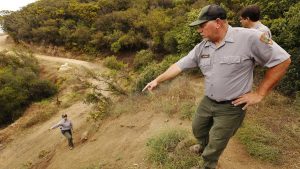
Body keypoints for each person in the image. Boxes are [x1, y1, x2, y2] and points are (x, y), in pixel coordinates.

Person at [143, 4, 291, 169]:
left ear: (218, 22)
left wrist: (260, 93)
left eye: (202, 25)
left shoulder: (251, 37)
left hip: (233, 105)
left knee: (217, 140)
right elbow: (179, 65)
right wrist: (157, 79)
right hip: (209, 100)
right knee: (198, 129)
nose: (199, 30)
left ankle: (208, 164)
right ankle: (203, 146)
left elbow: (283, 60)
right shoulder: (203, 46)